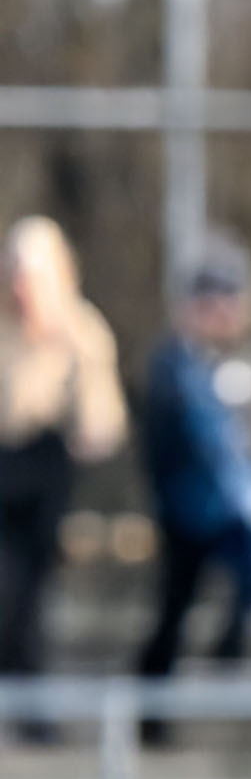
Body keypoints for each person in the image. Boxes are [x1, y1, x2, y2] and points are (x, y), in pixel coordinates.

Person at [133, 240, 251, 695]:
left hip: (235, 511)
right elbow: (190, 436)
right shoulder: (174, 362)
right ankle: (154, 708)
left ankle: (229, 654)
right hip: (186, 508)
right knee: (174, 607)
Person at [0, 218, 129, 702]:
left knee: (29, 589)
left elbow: (102, 418)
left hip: (46, 469)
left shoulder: (82, 330)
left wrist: (88, 426)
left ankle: (30, 695)